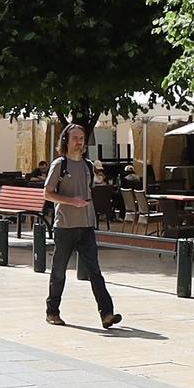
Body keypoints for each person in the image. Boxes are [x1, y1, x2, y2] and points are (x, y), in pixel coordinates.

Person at [42, 124, 120, 329]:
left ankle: (107, 313)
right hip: (65, 226)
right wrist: (71, 201)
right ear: (66, 140)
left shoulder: (87, 165)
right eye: (75, 138)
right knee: (59, 271)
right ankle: (52, 311)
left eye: (82, 138)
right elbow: (47, 193)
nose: (80, 142)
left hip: (86, 225)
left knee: (95, 270)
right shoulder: (60, 164)